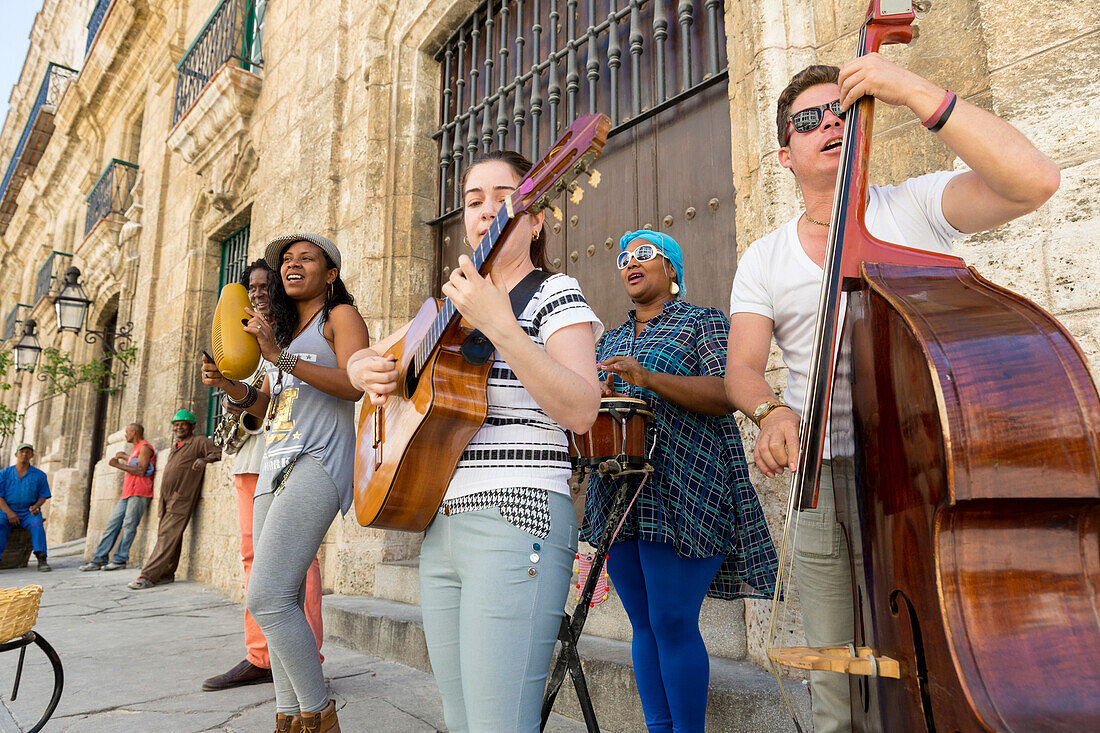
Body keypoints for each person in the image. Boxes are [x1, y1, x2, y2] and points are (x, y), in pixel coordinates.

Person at [724, 58, 1059, 732]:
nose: (829, 125)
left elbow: (1035, 181)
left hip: (926, 472)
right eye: (808, 120)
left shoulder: (913, 206)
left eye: (842, 111)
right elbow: (743, 368)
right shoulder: (765, 256)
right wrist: (773, 409)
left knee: (948, 653)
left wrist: (913, 90)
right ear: (783, 154)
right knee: (836, 679)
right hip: (825, 474)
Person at [347, 150, 602, 733]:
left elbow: (582, 408)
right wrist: (366, 370)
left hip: (520, 517)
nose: (487, 211)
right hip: (442, 527)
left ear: (535, 220)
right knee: (461, 722)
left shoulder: (555, 293)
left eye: (503, 198)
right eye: (473, 201)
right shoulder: (442, 311)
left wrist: (501, 325)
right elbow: (372, 359)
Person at [584, 230, 778, 733]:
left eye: (645, 255)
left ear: (672, 269)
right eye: (624, 257)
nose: (631, 262)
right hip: (621, 495)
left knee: (672, 621)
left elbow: (726, 392)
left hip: (687, 487)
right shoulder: (610, 339)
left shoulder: (703, 323)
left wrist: (648, 378)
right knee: (644, 623)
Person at [202, 233, 370, 732]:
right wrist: (229, 386)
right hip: (274, 465)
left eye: (307, 259)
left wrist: (280, 356)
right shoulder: (285, 333)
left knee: (266, 597)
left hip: (318, 460)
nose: (293, 266)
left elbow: (354, 384)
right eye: (287, 261)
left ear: (331, 273)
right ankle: (290, 718)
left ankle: (319, 717)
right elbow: (266, 405)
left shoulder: (338, 318)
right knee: (285, 598)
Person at [202, 258, 325, 693]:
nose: (256, 293)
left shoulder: (295, 331)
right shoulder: (238, 331)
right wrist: (226, 385)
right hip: (251, 455)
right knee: (254, 558)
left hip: (289, 453)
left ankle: (304, 656)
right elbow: (252, 401)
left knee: (299, 561)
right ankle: (261, 654)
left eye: (263, 285)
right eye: (249, 287)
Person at [128, 410, 220, 589]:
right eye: (176, 424)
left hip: (181, 498)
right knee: (171, 537)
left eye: (183, 424)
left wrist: (204, 460)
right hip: (167, 499)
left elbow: (217, 452)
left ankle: (147, 576)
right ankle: (166, 573)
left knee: (166, 536)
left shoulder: (199, 442)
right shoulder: (176, 446)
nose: (179, 427)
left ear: (192, 426)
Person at [80, 423, 156, 571]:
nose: (125, 435)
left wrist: (117, 465)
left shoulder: (145, 447)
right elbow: (135, 460)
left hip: (139, 492)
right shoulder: (137, 448)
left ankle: (120, 560)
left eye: (127, 432)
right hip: (128, 493)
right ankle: (99, 559)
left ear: (134, 432)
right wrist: (123, 456)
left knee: (129, 525)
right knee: (112, 524)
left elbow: (141, 470)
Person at [0, 443, 51, 572]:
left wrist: (36, 506)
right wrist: (9, 513)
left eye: (28, 452)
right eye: (22, 451)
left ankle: (41, 558)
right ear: (16, 454)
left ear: (32, 455)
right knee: (0, 524)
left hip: (28, 511)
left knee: (37, 524)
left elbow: (43, 495)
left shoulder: (39, 475)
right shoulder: (5, 473)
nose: (24, 454)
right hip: (6, 510)